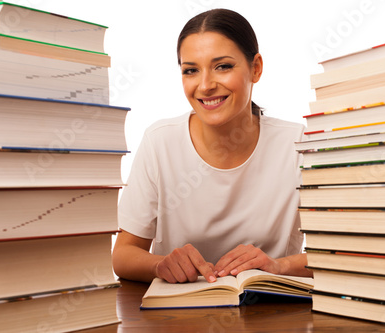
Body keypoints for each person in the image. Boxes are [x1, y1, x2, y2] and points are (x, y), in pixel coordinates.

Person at [112, 8, 312, 284]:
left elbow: (345, 253)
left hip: (271, 313)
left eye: (223, 66)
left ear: (255, 68)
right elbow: (123, 255)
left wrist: (279, 266)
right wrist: (160, 265)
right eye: (191, 70)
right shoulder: (160, 142)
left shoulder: (298, 145)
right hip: (178, 320)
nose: (205, 85)